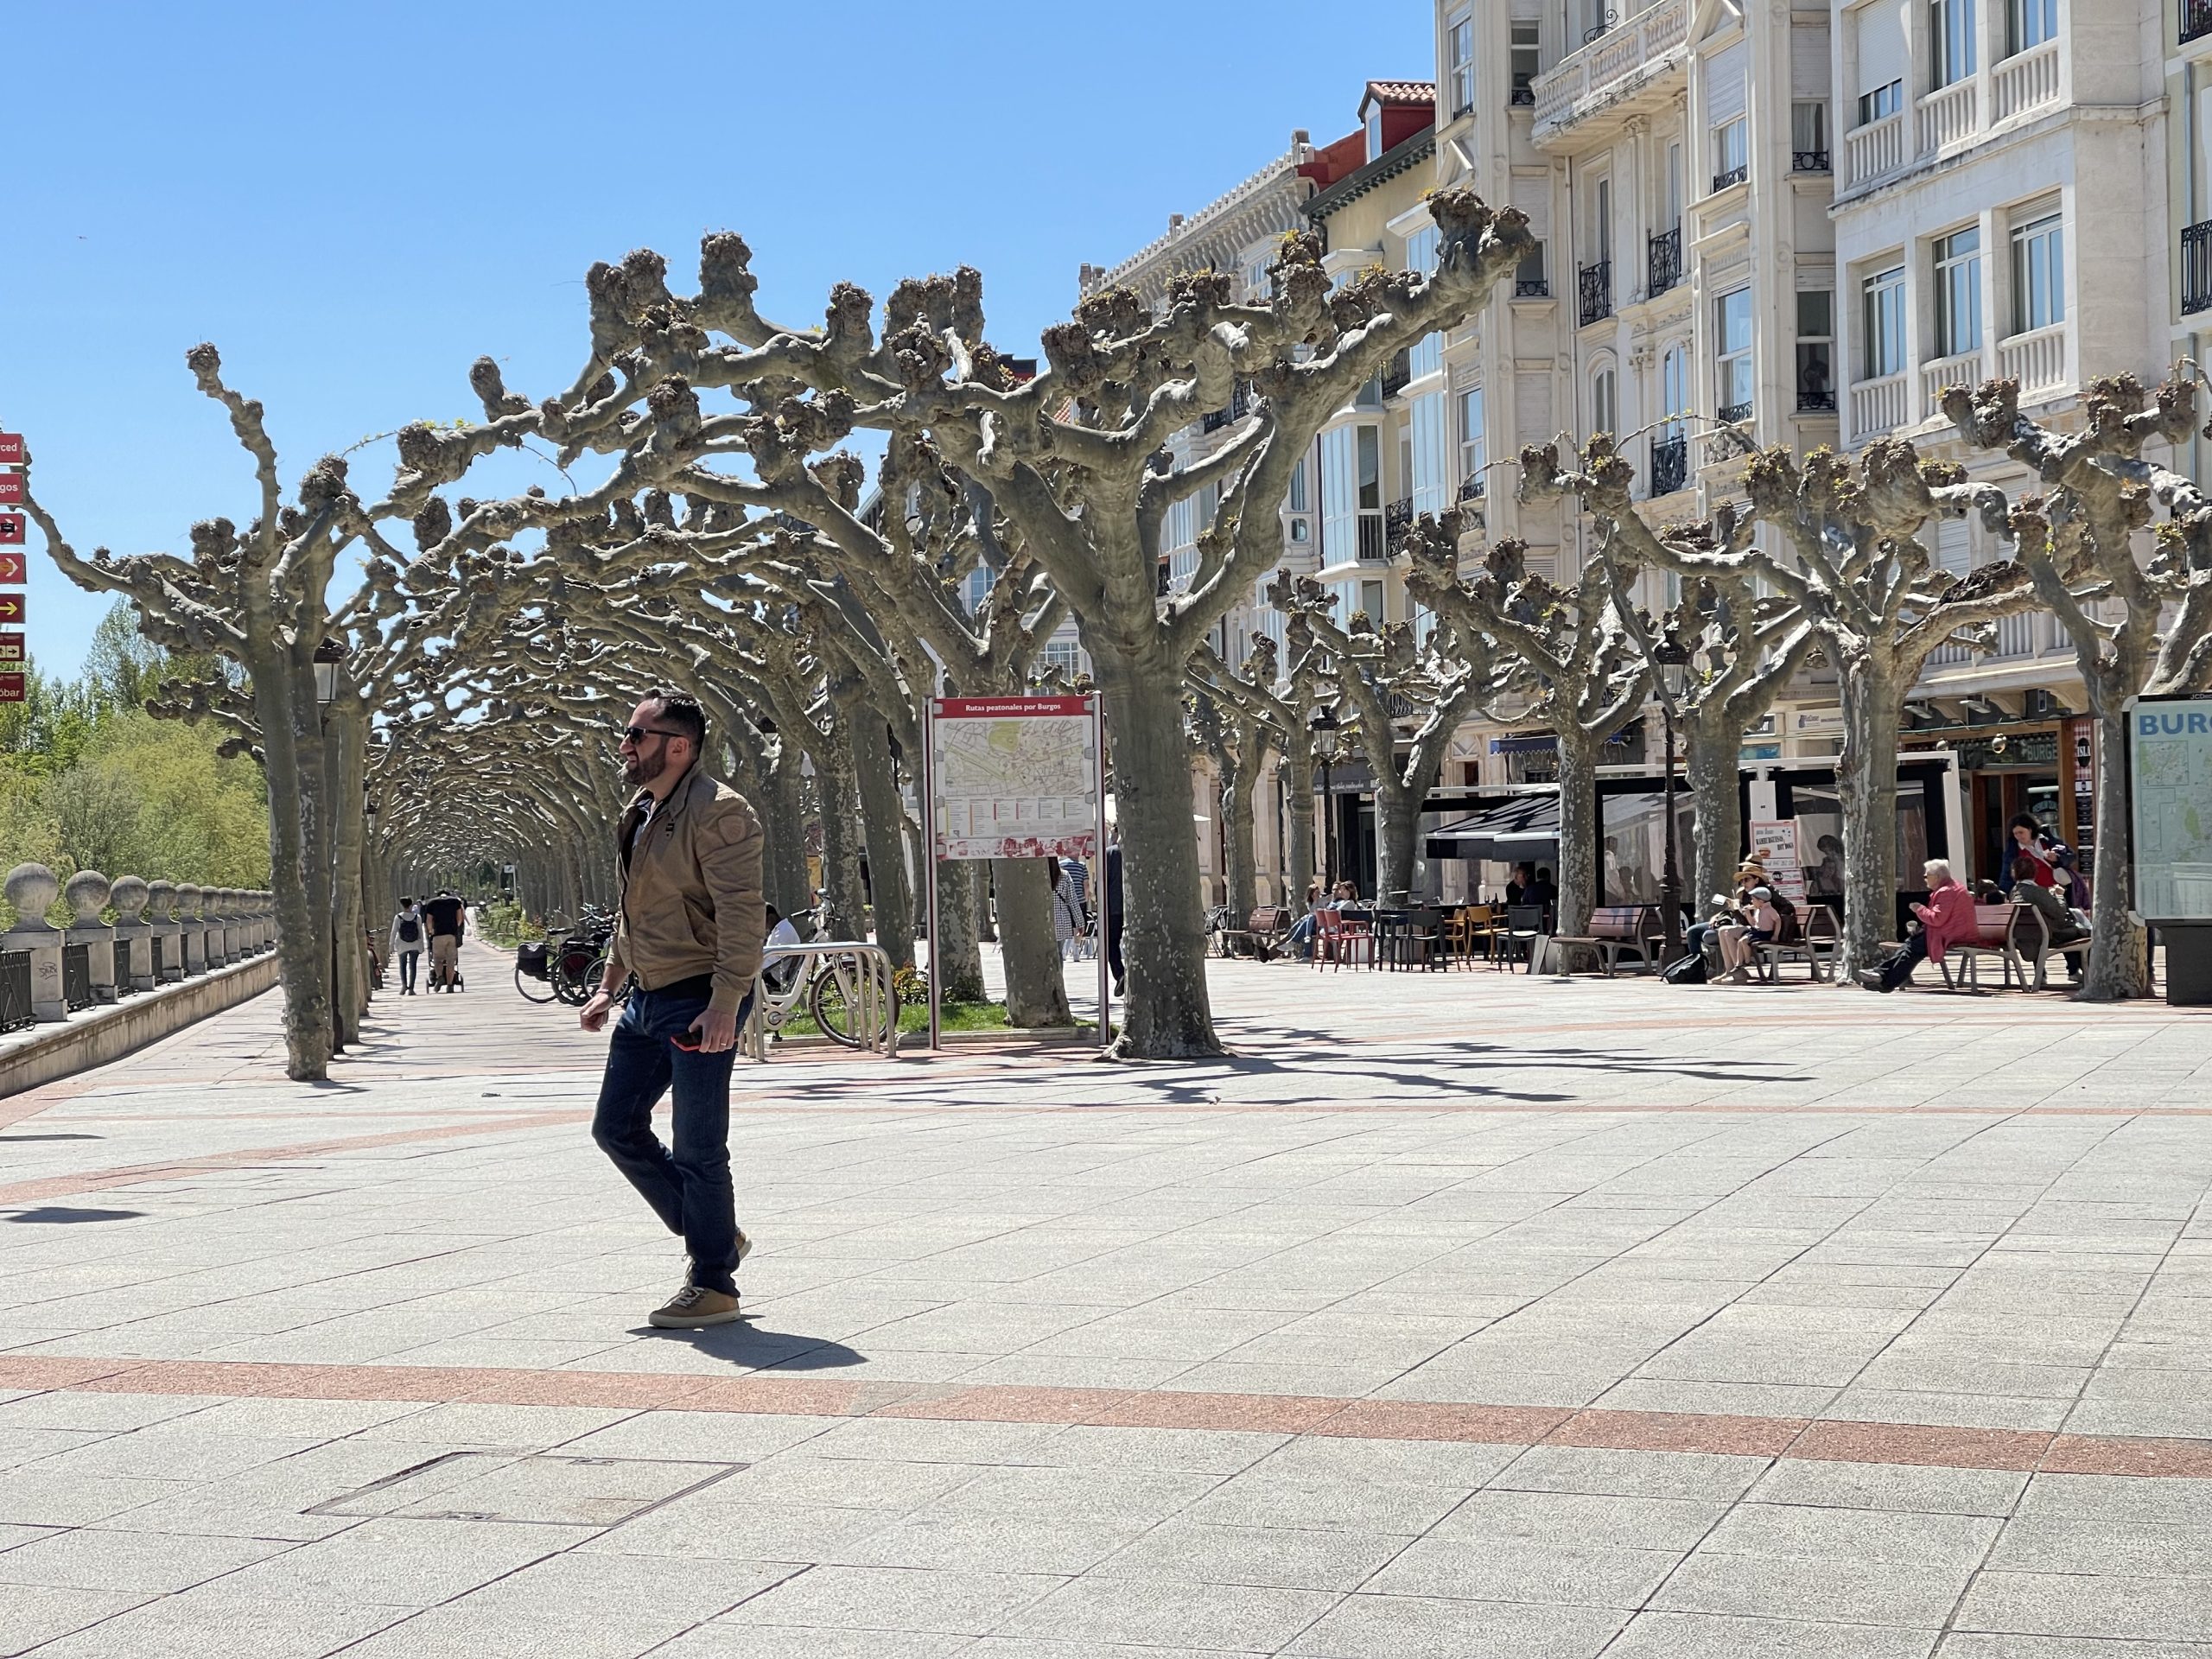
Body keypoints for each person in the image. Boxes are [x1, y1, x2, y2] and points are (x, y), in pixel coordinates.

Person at [582, 691, 767, 1329]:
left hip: (698, 998)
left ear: (678, 746)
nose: (625, 746)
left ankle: (714, 1283)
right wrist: (610, 984)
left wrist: (725, 1006)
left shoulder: (721, 813)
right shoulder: (640, 810)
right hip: (646, 996)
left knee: (698, 1146)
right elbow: (632, 908)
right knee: (615, 1128)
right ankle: (714, 1233)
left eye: (636, 735)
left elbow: (744, 916)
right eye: (626, 734)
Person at [1859, 858, 1976, 992]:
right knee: (1911, 944)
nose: (1925, 879)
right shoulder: (1952, 889)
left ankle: (1884, 980)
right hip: (1952, 932)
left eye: (1927, 876)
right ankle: (1881, 976)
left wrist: (1919, 909)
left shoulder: (1947, 892)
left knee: (1913, 947)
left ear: (1936, 877)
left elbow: (1937, 919)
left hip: (1955, 935)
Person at [2010, 855, 2089, 979]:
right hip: (2047, 936)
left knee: (2060, 930)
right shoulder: (2038, 892)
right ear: (2034, 872)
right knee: (2080, 932)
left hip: (2025, 936)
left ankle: (2042, 975)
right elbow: (2059, 913)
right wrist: (2059, 895)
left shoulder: (2014, 892)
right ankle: (2080, 972)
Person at [422, 888, 466, 991]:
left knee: (437, 959)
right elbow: (460, 918)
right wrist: (455, 928)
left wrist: (430, 931)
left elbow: (428, 921)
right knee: (451, 961)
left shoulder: (432, 904)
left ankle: (440, 977)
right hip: (451, 935)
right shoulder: (455, 902)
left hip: (437, 935)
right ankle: (450, 985)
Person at [761, 902, 804, 996]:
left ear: (771, 918)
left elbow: (773, 960)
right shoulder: (780, 928)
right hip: (774, 971)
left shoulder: (782, 931)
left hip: (775, 976)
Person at [387, 896, 425, 995]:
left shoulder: (398, 917)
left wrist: (391, 945)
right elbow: (420, 932)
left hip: (402, 944)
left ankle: (404, 986)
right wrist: (422, 945)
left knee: (402, 966)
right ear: (411, 905)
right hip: (415, 944)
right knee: (413, 966)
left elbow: (394, 932)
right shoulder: (417, 917)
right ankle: (411, 988)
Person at [1048, 858, 1084, 960]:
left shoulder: (1038, 875)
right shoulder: (1064, 875)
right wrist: (1080, 923)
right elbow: (1073, 901)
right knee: (1059, 953)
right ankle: (1059, 975)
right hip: (1061, 920)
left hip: (1043, 920)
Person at [1104, 826, 1125, 996]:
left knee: (1111, 943)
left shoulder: (1109, 853)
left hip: (1114, 907)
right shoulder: (1138, 853)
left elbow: (1101, 883)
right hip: (1136, 909)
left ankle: (1120, 974)